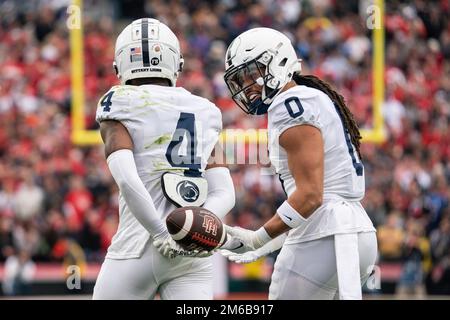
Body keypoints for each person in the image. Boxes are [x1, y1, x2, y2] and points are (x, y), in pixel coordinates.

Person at [220, 27, 378, 300]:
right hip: (352, 230)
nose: (249, 87)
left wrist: (257, 239)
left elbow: (310, 196)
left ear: (278, 62)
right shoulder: (308, 98)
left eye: (253, 74)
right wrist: (266, 243)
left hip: (326, 234)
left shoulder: (290, 103)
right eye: (242, 79)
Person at [92, 18, 235, 300]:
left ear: (119, 65)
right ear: (176, 63)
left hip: (138, 245)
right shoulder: (205, 110)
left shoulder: (117, 101)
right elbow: (225, 192)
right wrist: (197, 226)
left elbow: (127, 180)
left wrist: (161, 233)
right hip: (191, 252)